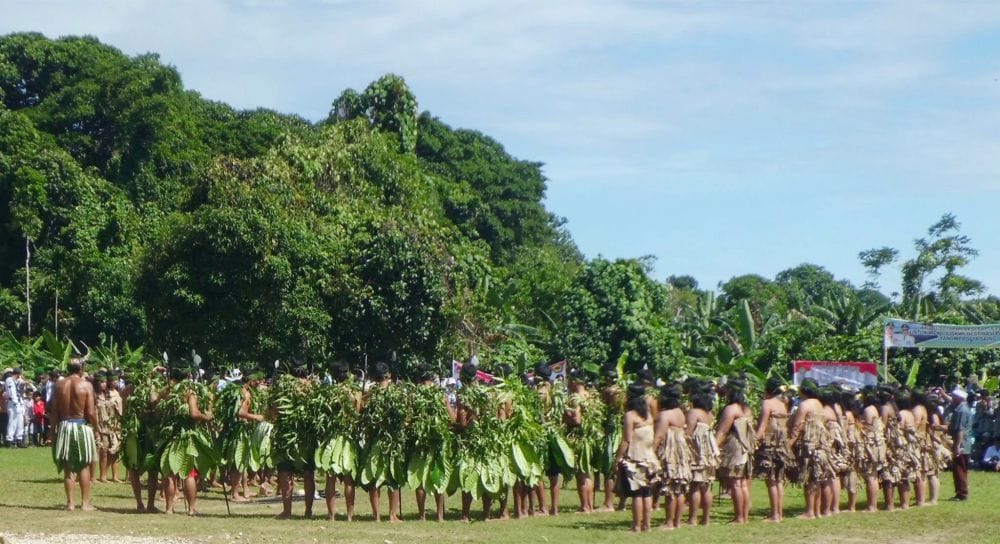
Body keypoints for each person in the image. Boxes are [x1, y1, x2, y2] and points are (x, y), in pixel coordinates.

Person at [51, 355, 98, 511]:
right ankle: (84, 504)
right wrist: (96, 428)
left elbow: (54, 412)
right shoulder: (86, 386)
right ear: (82, 368)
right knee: (84, 465)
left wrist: (52, 432)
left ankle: (70, 503)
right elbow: (90, 412)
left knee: (68, 467)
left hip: (64, 426)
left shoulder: (58, 385)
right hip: (80, 426)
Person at [614, 383, 660, 532]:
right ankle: (647, 525)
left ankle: (636, 525)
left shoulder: (630, 415)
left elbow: (626, 440)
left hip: (636, 458)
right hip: (649, 457)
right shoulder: (648, 414)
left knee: (636, 493)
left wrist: (618, 459)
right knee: (646, 492)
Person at [789, 379, 832, 519]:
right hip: (820, 445)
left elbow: (797, 426)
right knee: (817, 478)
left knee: (809, 478)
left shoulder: (805, 405)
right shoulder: (819, 404)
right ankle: (816, 511)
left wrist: (789, 444)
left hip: (809, 445)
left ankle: (809, 511)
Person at [716, 376, 755, 524]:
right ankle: (743, 516)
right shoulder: (747, 409)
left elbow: (722, 431)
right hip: (746, 448)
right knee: (743, 483)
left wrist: (713, 448)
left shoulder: (731, 409)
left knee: (736, 483)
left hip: (735, 447)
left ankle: (739, 517)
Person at [755, 378, 794, 522]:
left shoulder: (767, 403)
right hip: (782, 446)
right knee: (778, 480)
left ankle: (775, 515)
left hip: (770, 444)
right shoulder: (783, 404)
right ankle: (779, 514)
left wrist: (753, 441)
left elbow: (762, 427)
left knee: (771, 480)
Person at [653, 383, 691, 530]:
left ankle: (669, 522)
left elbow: (658, 437)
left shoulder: (665, 414)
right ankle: (677, 522)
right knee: (679, 488)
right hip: (681, 452)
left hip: (671, 452)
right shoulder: (680, 412)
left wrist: (651, 453)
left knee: (670, 489)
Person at [686, 380, 719, 526]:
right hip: (708, 453)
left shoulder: (694, 412)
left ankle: (692, 519)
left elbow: (688, 433)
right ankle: (706, 518)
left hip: (697, 453)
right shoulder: (709, 413)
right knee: (706, 486)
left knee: (695, 486)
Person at [95, 372, 124, 483]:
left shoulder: (117, 393)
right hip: (104, 426)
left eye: (116, 380)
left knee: (116, 451)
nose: (115, 382)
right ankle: (103, 476)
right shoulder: (101, 395)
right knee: (104, 451)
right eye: (112, 380)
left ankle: (115, 476)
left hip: (116, 426)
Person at [945, 387, 973, 501]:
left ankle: (962, 493)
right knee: (961, 468)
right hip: (964, 443)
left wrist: (957, 446)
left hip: (961, 444)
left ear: (958, 398)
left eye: (953, 397)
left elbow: (960, 430)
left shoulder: (961, 411)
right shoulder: (963, 408)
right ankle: (961, 491)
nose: (952, 399)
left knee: (959, 469)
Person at [5, 367, 26, 447]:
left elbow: (21, 385)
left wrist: (23, 383)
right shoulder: (9, 380)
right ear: (17, 374)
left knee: (20, 423)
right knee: (12, 422)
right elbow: (11, 393)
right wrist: (16, 403)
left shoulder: (17, 380)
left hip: (19, 403)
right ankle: (9, 440)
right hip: (13, 404)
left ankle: (19, 439)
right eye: (20, 374)